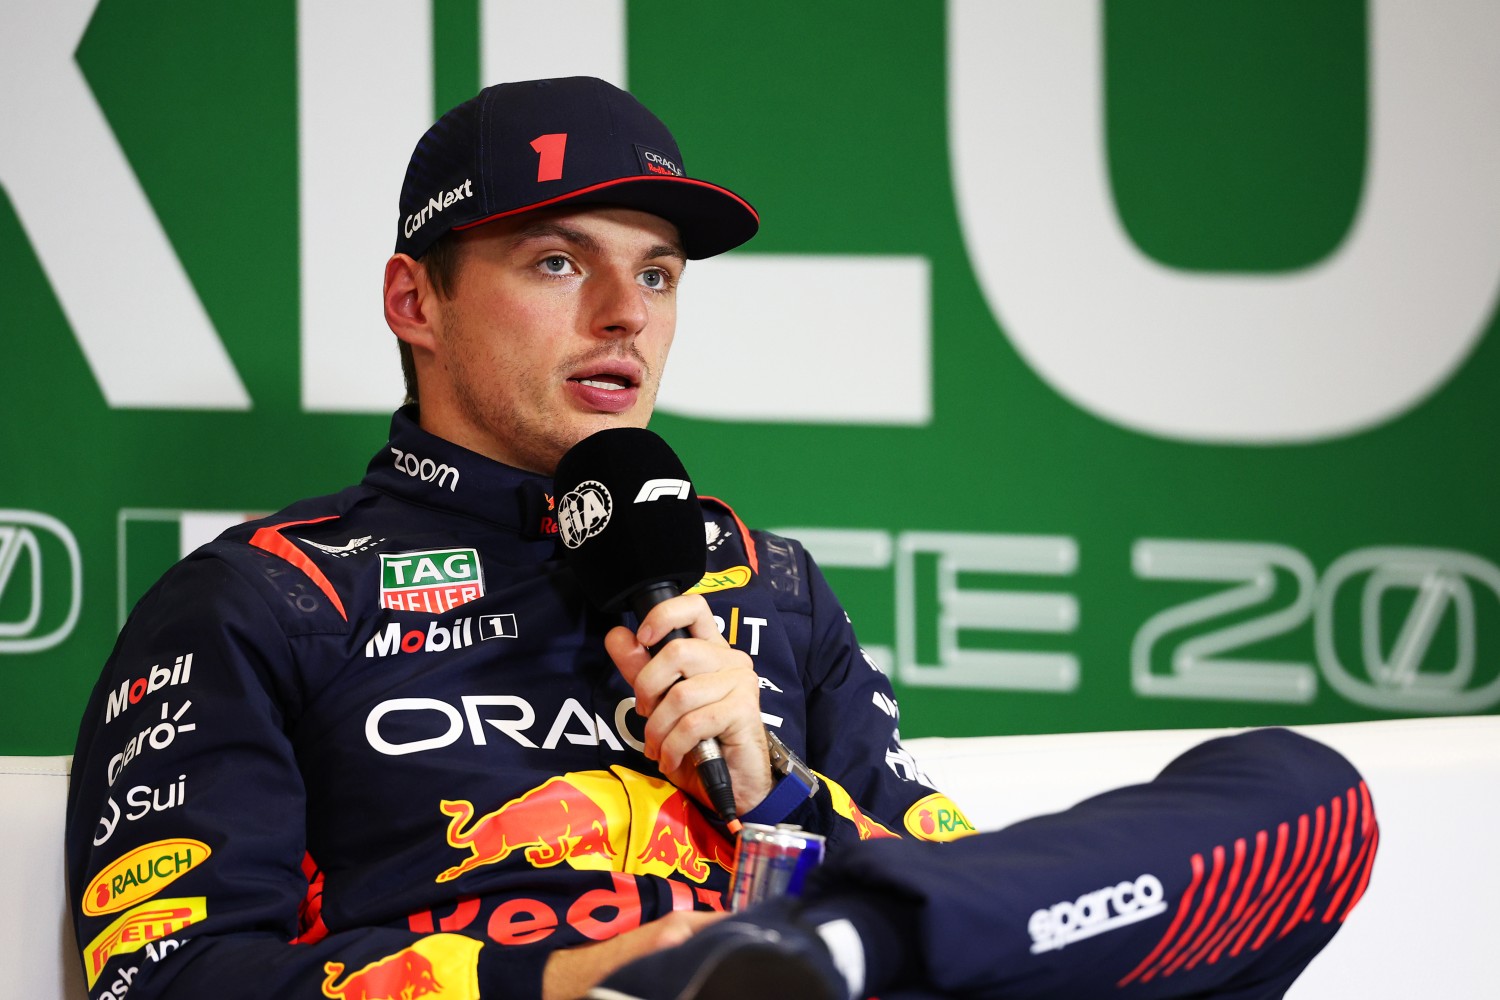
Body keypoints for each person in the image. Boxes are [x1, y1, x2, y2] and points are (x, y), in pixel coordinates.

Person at [65, 78, 1376, 1000]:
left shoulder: (765, 581)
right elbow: (168, 975)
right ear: (417, 299)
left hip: (834, 975)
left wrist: (772, 790)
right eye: (556, 261)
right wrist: (594, 979)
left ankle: (828, 964)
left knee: (1301, 795)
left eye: (655, 272)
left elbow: (973, 896)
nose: (625, 315)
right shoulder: (264, 597)